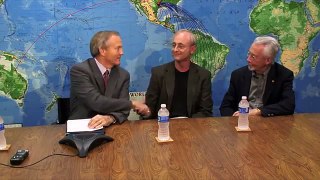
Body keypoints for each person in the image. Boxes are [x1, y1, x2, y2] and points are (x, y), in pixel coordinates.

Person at [69, 31, 148, 128]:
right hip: (83, 128)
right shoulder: (80, 71)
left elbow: (124, 111)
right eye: (117, 48)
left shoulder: (123, 75)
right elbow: (96, 101)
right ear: (102, 51)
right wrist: (132, 104)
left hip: (112, 129)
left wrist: (110, 118)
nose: (122, 52)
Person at [139, 29, 213, 118]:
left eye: (180, 46)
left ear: (192, 49)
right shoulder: (158, 73)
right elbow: (150, 109)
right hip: (164, 126)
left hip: (192, 127)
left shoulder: (203, 76)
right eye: (174, 45)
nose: (175, 49)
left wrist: (186, 124)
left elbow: (206, 111)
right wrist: (145, 111)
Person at [220, 36, 295, 117]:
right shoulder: (238, 75)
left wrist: (258, 112)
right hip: (242, 122)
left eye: (253, 56)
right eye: (249, 53)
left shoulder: (283, 75)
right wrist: (234, 119)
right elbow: (225, 107)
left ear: (268, 60)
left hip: (269, 123)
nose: (248, 59)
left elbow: (288, 105)